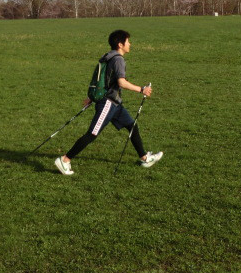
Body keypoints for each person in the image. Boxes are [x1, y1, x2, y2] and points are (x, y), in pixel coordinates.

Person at [55, 29, 162, 175]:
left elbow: (102, 80)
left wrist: (92, 97)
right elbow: (121, 82)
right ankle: (65, 160)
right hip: (108, 103)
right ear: (120, 44)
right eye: (128, 41)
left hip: (115, 104)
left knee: (132, 126)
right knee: (92, 133)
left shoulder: (107, 57)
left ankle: (144, 158)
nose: (130, 44)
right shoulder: (118, 59)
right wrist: (141, 89)